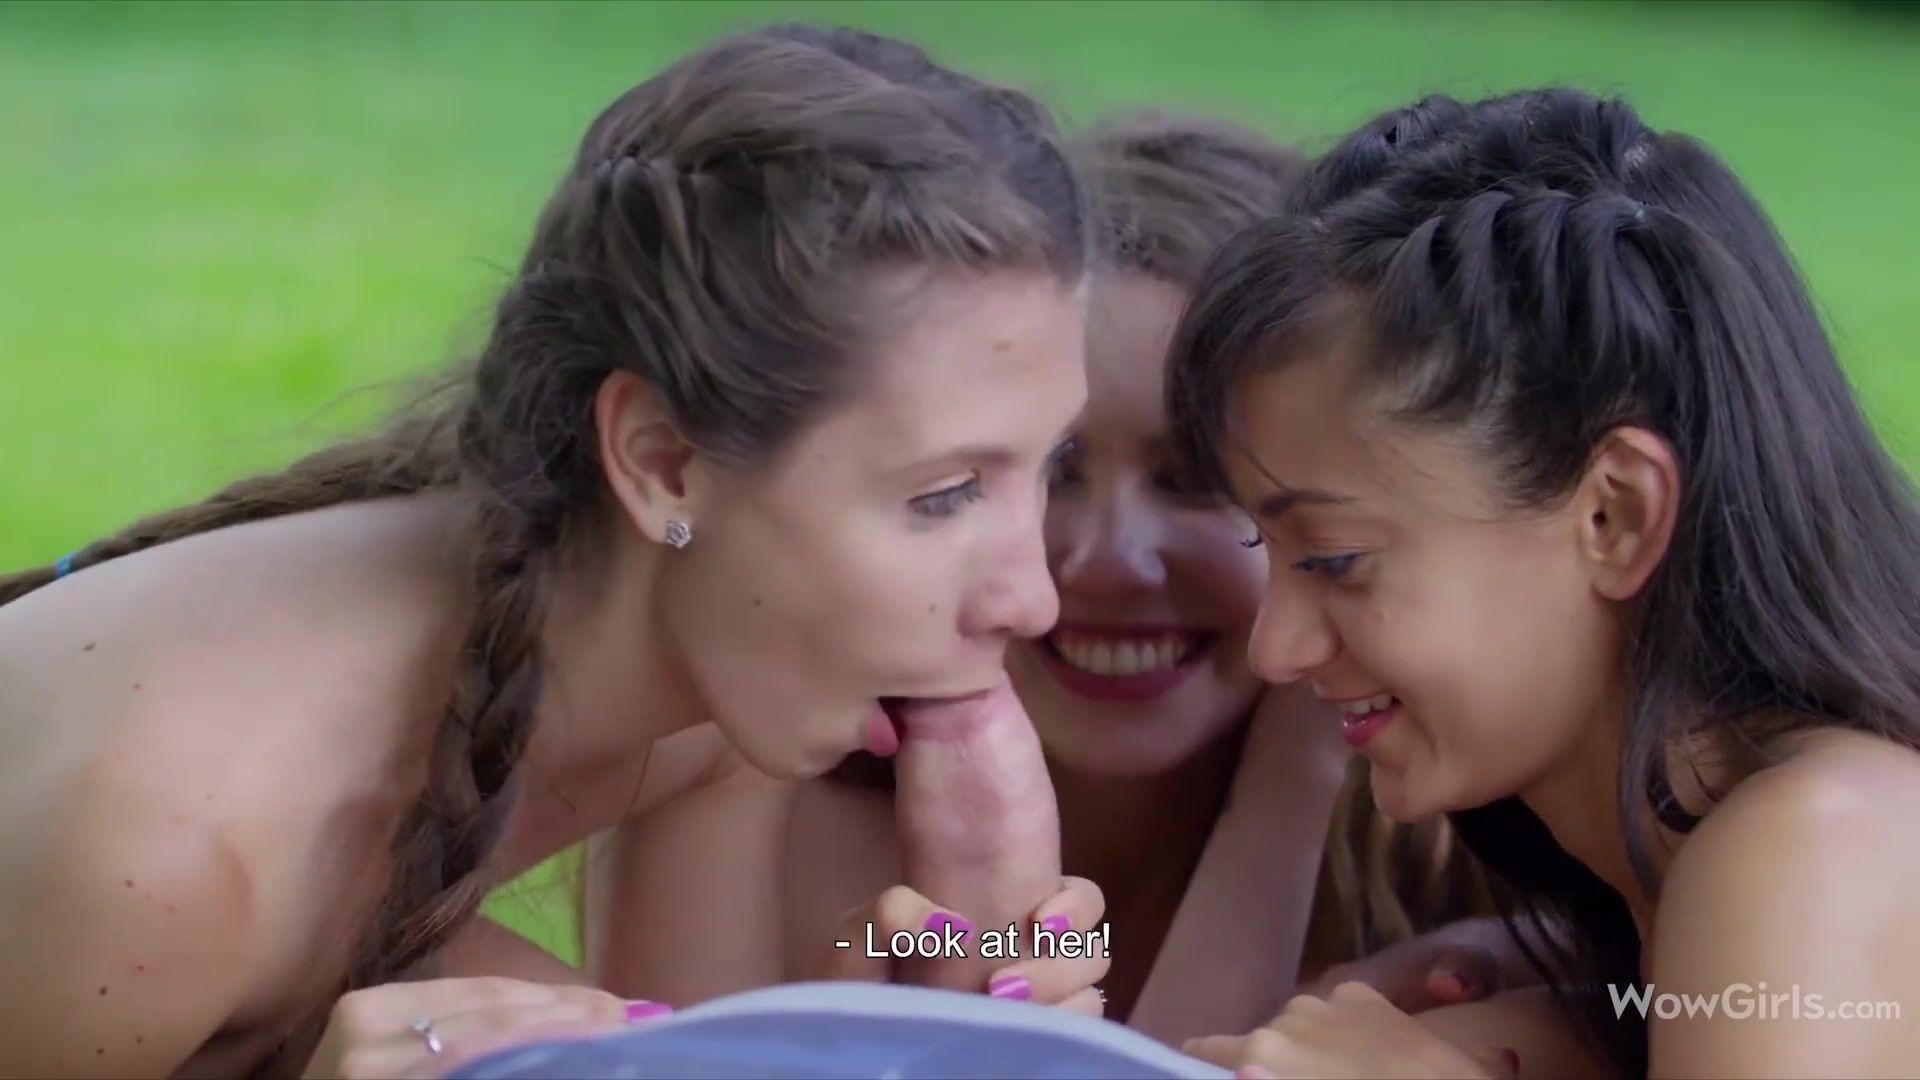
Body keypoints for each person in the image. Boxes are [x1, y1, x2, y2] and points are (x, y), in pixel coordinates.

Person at [0, 24, 1111, 1078]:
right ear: (663, 463)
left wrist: (921, 1023)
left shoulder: (723, 675)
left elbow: (677, 1048)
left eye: (1050, 465)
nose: (1034, 600)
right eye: (944, 494)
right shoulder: (159, 859)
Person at [584, 112, 1513, 1050]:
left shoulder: (1466, 835)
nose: (1108, 560)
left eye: (1195, 477)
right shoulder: (766, 780)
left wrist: (1297, 777)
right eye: (1046, 473)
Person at [1167, 87, 1920, 1078]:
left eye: (1335, 558)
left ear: (1616, 515)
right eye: (1265, 547)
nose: (1278, 647)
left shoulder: (1814, 845)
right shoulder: (1662, 898)